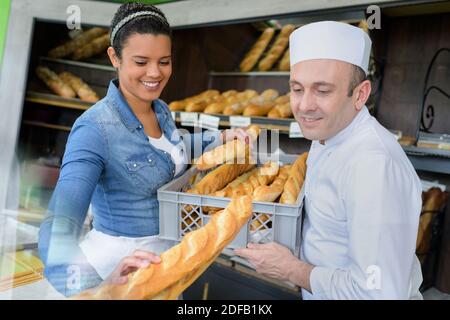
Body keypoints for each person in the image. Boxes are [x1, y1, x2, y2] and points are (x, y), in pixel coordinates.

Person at [38, 2, 250, 297]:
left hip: (163, 264)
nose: (155, 73)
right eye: (141, 61)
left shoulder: (160, 110)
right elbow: (57, 226)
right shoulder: (94, 128)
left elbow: (172, 149)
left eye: (164, 61)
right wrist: (94, 285)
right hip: (115, 271)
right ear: (115, 57)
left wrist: (220, 140)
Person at [235, 21, 423, 300]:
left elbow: (378, 293)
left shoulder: (373, 166)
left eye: (322, 91)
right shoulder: (326, 133)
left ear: (360, 94)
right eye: (297, 89)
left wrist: (292, 270)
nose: (304, 106)